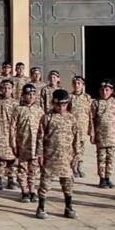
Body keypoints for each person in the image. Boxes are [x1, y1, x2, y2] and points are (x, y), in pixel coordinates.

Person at [36, 89, 80, 220]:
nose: (61, 107)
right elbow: (40, 137)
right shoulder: (47, 117)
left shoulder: (72, 118)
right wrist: (40, 154)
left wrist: (77, 154)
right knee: (45, 183)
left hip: (67, 157)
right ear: (53, 103)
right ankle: (41, 207)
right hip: (50, 156)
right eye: (58, 105)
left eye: (64, 105)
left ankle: (68, 206)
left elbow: (77, 137)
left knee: (68, 183)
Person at [13, 84, 43, 202]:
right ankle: (24, 190)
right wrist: (13, 144)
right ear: (23, 95)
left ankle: (32, 190)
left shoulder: (39, 110)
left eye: (33, 94)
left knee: (34, 169)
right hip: (23, 144)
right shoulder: (18, 110)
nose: (31, 96)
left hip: (35, 145)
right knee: (22, 169)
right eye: (28, 94)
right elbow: (12, 128)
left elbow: (43, 129)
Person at [91, 79, 115, 189]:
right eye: (102, 90)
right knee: (101, 158)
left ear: (111, 91)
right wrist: (92, 133)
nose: (104, 92)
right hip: (100, 135)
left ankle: (108, 177)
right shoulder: (96, 103)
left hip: (112, 135)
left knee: (110, 158)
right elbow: (92, 119)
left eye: (107, 90)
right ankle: (102, 179)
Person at [0, 80, 18, 191]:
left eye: (9, 88)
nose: (6, 90)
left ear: (12, 90)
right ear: (0, 89)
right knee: (0, 158)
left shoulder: (16, 103)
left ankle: (11, 179)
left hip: (12, 134)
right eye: (4, 88)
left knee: (12, 158)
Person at [69, 76, 93, 178]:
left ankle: (79, 166)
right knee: (72, 148)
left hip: (83, 127)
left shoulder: (87, 98)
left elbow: (91, 114)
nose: (77, 85)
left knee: (81, 148)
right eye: (75, 83)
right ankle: (73, 167)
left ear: (83, 85)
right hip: (72, 127)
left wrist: (91, 129)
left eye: (79, 83)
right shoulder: (69, 97)